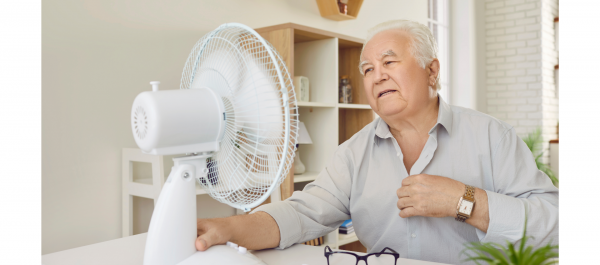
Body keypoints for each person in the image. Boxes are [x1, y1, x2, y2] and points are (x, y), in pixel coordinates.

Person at [195, 20, 559, 264]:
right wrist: (230, 228)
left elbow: (554, 224)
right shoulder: (353, 153)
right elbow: (301, 214)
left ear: (432, 71)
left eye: (389, 62)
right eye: (367, 69)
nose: (376, 76)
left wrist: (462, 201)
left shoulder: (493, 136)